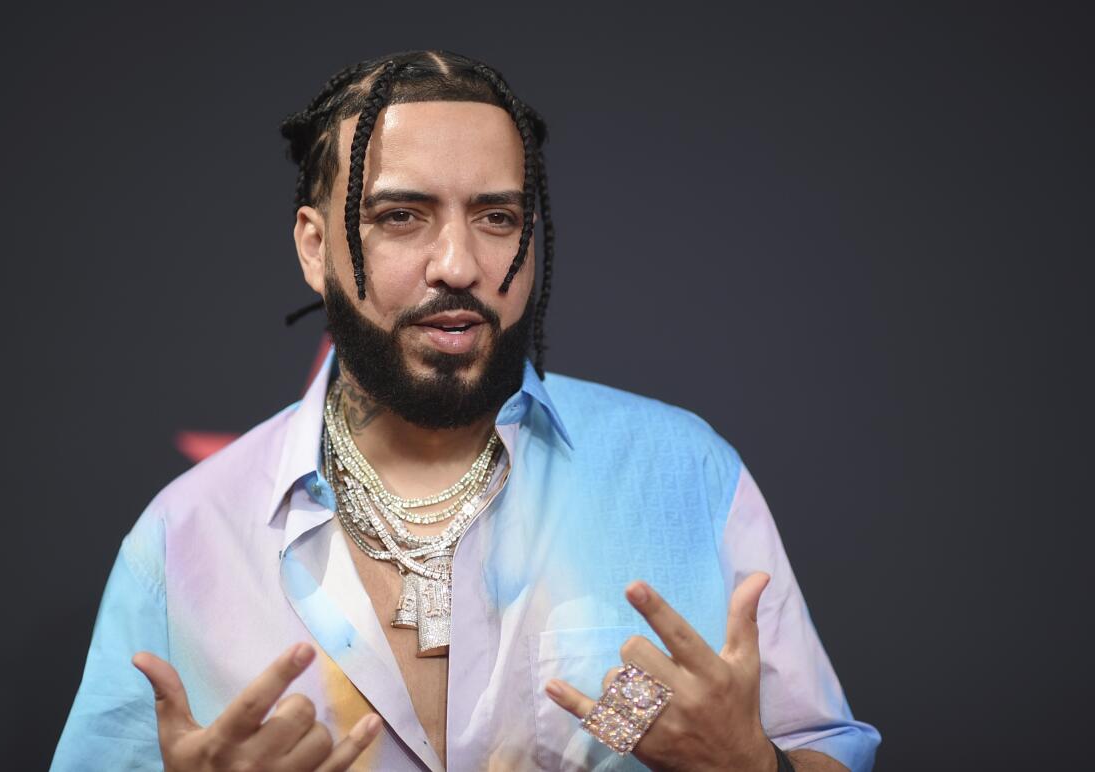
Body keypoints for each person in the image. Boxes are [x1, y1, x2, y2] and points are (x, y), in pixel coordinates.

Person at [52, 50, 880, 771]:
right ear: (315, 247)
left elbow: (822, 747)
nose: (458, 263)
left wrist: (751, 769)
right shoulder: (188, 537)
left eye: (496, 218)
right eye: (401, 217)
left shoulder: (684, 475)